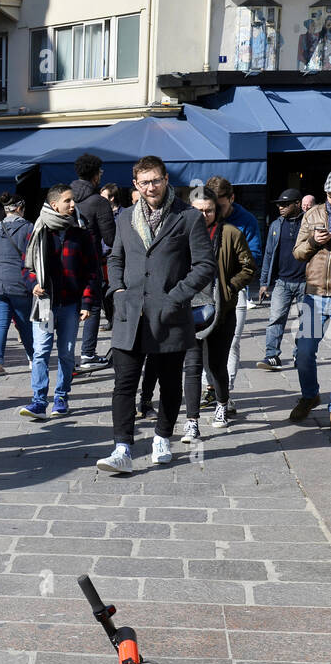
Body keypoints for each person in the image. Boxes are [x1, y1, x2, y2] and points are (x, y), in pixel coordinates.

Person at [96, 156, 217, 474]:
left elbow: (205, 265)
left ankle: (162, 437)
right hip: (130, 315)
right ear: (135, 185)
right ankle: (122, 447)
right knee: (124, 384)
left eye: (156, 180)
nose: (151, 187)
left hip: (170, 315)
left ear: (166, 180)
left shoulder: (188, 218)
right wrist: (117, 290)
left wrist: (177, 297)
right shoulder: (124, 218)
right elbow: (115, 258)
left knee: (169, 382)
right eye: (144, 182)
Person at [181, 188, 255, 443]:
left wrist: (229, 288)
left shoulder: (230, 233)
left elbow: (249, 267)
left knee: (216, 365)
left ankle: (222, 403)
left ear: (217, 210)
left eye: (209, 210)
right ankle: (191, 422)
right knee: (191, 367)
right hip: (189, 310)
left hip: (221, 311)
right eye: (198, 210)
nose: (203, 215)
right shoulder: (181, 235)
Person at [19, 184, 99, 419]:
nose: (73, 204)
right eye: (68, 201)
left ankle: (62, 396)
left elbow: (92, 272)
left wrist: (87, 303)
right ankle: (38, 401)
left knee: (65, 352)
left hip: (71, 303)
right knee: (41, 351)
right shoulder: (38, 231)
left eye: (73, 200)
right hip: (44, 302)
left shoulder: (81, 233)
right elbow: (26, 268)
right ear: (54, 205)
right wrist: (33, 283)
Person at [204, 175, 262, 409]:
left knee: (231, 343)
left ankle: (225, 395)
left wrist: (230, 284)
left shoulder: (245, 220)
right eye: (211, 206)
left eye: (220, 206)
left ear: (231, 198)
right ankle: (211, 389)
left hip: (233, 292)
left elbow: (254, 257)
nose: (214, 211)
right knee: (204, 344)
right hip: (204, 293)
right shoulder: (200, 219)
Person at [289, 171, 331, 422]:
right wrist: (314, 242)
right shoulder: (312, 214)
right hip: (315, 294)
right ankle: (310, 395)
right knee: (304, 353)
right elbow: (298, 252)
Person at [0, 193, 34, 378]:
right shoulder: (28, 227)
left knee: (0, 323)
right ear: (19, 208)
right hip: (19, 282)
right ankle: (33, 359)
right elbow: (33, 256)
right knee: (24, 323)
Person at [70, 153, 115, 371]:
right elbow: (111, 238)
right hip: (90, 262)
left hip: (66, 263)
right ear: (96, 175)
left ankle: (67, 356)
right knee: (94, 307)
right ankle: (88, 353)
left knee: (68, 309)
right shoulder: (98, 202)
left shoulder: (65, 197)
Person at [257, 190, 304, 370]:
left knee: (306, 322)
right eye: (279, 204)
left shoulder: (309, 222)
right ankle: (272, 356)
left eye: (285, 204)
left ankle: (301, 356)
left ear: (297, 204)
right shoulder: (276, 225)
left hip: (306, 282)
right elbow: (268, 254)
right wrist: (263, 283)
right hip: (282, 282)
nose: (280, 207)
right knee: (275, 319)